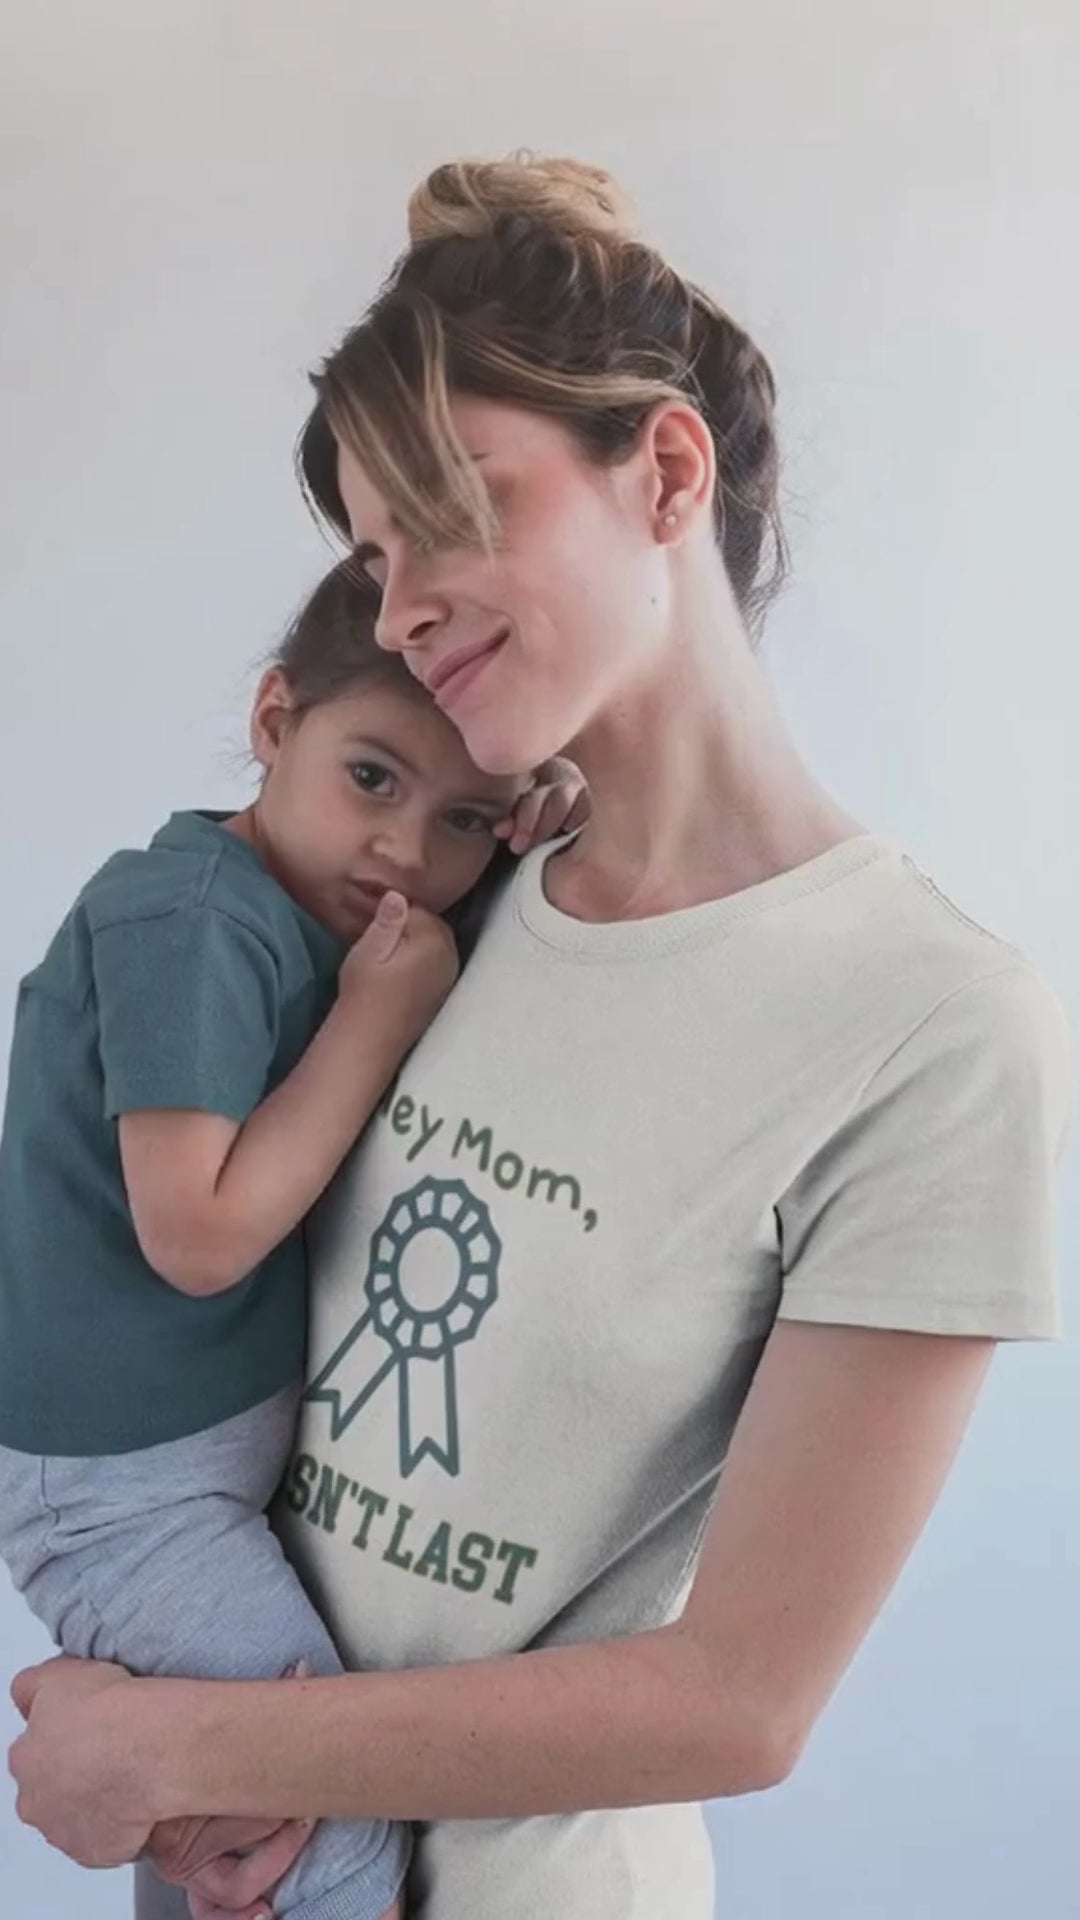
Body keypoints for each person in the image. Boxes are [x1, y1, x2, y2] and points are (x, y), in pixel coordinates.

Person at [9, 155, 1074, 1920]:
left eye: (456, 509)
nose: (403, 598)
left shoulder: (938, 1034)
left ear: (663, 471)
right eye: (370, 547)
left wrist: (188, 1747)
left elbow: (745, 1702)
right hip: (239, 1861)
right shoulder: (442, 907)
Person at [0, 556, 583, 1920]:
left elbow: (429, 930)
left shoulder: (325, 902)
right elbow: (197, 1234)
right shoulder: (190, 918)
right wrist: (375, 1022)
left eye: (464, 819)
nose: (404, 852)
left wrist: (545, 822)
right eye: (370, 777)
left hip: (184, 1478)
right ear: (274, 720)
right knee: (345, 1862)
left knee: (261, 1830)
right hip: (125, 1501)